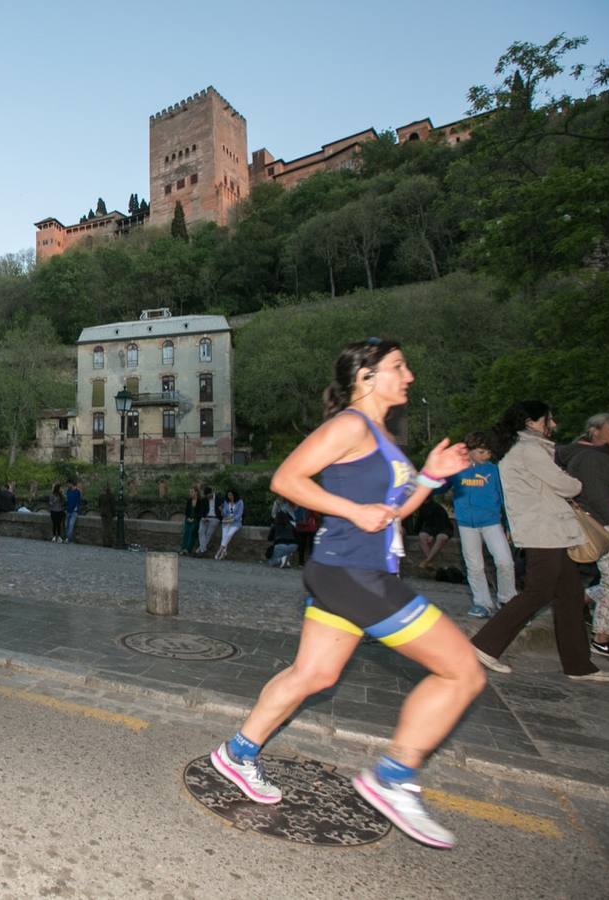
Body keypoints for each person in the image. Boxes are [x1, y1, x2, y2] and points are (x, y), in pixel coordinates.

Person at [210, 338, 482, 849]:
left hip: (348, 570)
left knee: (314, 674)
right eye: (399, 366)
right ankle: (394, 777)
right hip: (355, 573)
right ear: (366, 376)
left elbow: (394, 512)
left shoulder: (380, 436)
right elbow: (286, 478)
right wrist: (352, 511)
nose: (410, 375)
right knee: (463, 670)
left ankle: (238, 753)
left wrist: (429, 477)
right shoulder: (350, 425)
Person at [470, 401, 609, 683]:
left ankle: (579, 666)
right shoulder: (530, 451)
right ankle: (483, 645)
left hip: (548, 530)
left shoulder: (525, 449)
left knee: (571, 596)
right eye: (549, 419)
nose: (554, 424)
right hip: (544, 531)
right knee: (538, 592)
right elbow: (568, 486)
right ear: (531, 422)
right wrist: (572, 481)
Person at [557, 413, 609, 660]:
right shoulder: (591, 458)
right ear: (594, 431)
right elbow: (599, 497)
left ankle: (582, 598)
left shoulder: (601, 457)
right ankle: (602, 639)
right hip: (605, 527)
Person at [437, 432, 514, 619]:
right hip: (466, 524)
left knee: (505, 561)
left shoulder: (494, 470)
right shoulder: (457, 471)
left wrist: (509, 525)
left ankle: (507, 601)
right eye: (481, 452)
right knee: (474, 566)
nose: (486, 455)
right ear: (469, 451)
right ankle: (482, 603)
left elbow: (505, 499)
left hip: (492, 522)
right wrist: (439, 472)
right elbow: (438, 488)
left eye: (488, 452)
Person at [413, 497, 453, 569]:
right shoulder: (422, 507)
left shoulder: (437, 507)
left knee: (441, 537)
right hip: (431, 528)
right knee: (422, 536)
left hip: (444, 528)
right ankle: (430, 562)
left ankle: (427, 561)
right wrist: (414, 532)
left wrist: (433, 535)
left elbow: (441, 523)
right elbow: (420, 521)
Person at [214, 489, 243, 560]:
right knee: (224, 536)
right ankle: (224, 552)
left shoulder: (240, 502)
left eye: (231, 495)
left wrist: (232, 519)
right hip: (226, 521)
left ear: (234, 495)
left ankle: (220, 550)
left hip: (235, 522)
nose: (229, 496)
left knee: (229, 534)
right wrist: (221, 510)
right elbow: (224, 514)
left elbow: (239, 514)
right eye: (228, 495)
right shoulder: (226, 502)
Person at [196, 484, 221, 555]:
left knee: (209, 533)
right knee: (200, 531)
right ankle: (202, 550)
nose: (208, 497)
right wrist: (203, 517)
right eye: (206, 496)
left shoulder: (219, 499)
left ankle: (201, 550)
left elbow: (222, 510)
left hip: (215, 518)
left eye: (209, 495)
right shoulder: (204, 500)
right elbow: (201, 511)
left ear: (212, 492)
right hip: (205, 518)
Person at [179, 486, 201, 555]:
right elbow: (186, 511)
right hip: (188, 519)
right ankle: (182, 548)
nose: (190, 493)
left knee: (192, 532)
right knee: (186, 532)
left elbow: (200, 512)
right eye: (190, 492)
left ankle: (187, 549)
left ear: (196, 492)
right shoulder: (189, 501)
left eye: (192, 492)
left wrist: (194, 519)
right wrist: (188, 518)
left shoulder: (200, 501)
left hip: (196, 520)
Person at [98, 483, 117, 548]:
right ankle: (109, 543)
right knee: (109, 529)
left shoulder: (101, 496)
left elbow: (99, 504)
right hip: (109, 514)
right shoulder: (111, 496)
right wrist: (114, 514)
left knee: (104, 528)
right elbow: (113, 506)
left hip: (103, 513)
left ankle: (104, 543)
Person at [64, 477, 82, 543]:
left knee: (71, 525)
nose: (67, 485)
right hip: (68, 510)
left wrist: (76, 507)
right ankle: (68, 538)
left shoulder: (77, 492)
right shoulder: (68, 491)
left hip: (74, 512)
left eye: (68, 484)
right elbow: (67, 501)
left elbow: (79, 501)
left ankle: (68, 539)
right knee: (66, 525)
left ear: (71, 484)